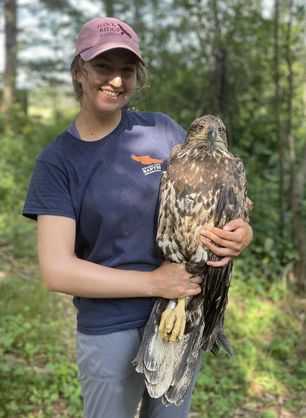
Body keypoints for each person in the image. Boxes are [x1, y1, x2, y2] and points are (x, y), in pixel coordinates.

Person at [23, 17, 253, 418]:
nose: (115, 80)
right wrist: (153, 282)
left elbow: (216, 193)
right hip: (110, 326)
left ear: (137, 76)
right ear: (80, 71)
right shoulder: (58, 163)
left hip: (180, 314)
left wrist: (241, 230)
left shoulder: (162, 131)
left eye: (126, 70)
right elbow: (56, 270)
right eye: (103, 67)